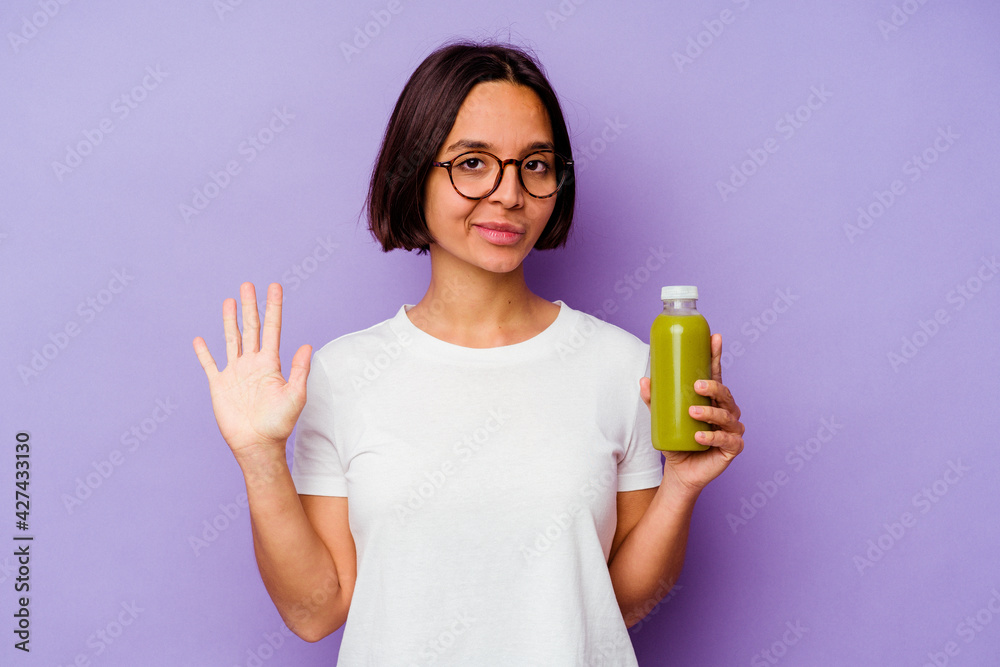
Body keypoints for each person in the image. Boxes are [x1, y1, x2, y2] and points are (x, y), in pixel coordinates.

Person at [192, 39, 745, 665]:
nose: (509, 193)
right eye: (473, 162)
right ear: (414, 172)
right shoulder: (341, 377)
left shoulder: (623, 367)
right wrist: (260, 458)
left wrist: (681, 487)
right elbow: (315, 611)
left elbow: (614, 602)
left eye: (535, 165)